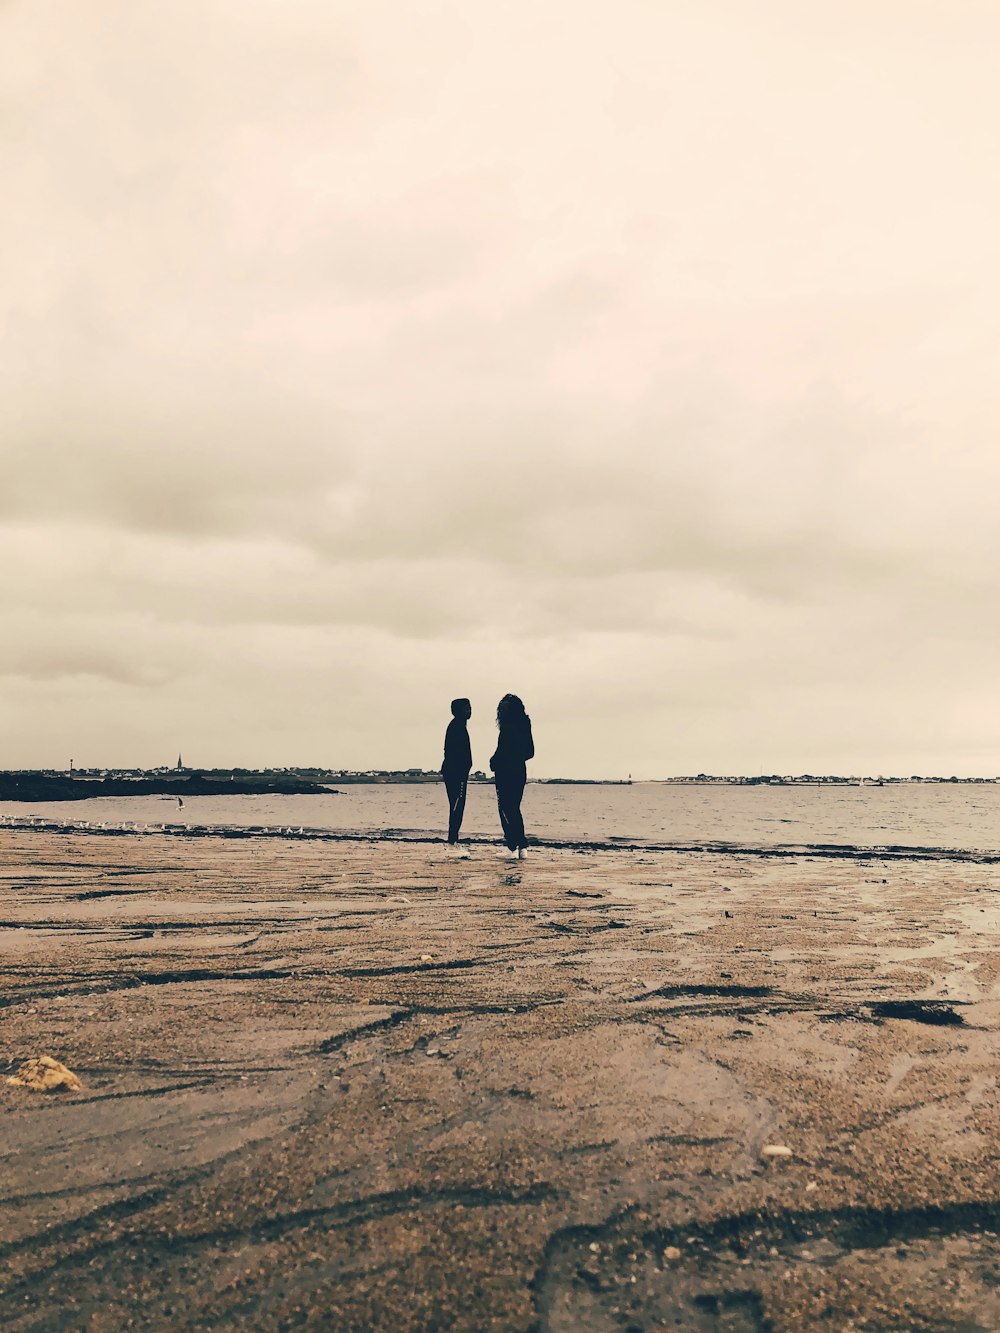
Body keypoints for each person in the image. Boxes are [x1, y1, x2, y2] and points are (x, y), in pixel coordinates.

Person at [490, 694, 534, 858]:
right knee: (514, 808)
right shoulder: (524, 725)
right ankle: (522, 847)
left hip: (506, 772)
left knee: (506, 809)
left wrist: (495, 761)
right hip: (519, 771)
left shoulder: (507, 728)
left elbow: (501, 752)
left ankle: (512, 847)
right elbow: (530, 752)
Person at [441, 698, 473, 848]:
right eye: (466, 708)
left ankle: (453, 837)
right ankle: (452, 839)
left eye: (470, 707)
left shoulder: (460, 726)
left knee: (457, 804)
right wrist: (464, 767)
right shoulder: (456, 726)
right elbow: (452, 752)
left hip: (457, 771)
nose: (470, 710)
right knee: (457, 804)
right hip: (456, 772)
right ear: (459, 710)